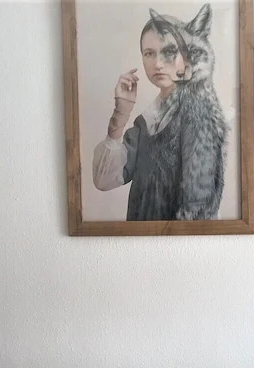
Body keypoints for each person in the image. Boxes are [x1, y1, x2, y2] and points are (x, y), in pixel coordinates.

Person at [91, 5, 227, 221]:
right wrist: (121, 113)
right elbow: (104, 180)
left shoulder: (197, 111)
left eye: (168, 51)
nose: (157, 63)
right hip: (138, 237)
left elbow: (198, 204)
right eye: (149, 53)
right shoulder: (147, 120)